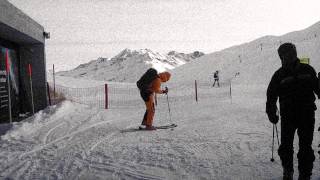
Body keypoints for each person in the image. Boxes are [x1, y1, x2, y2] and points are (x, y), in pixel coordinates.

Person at [266, 43, 320, 180]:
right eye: (285, 55)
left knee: (305, 148)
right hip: (288, 116)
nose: (288, 57)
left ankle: (305, 175)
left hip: (306, 115)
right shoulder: (279, 75)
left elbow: (318, 90)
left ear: (295, 54)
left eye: (291, 54)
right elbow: (271, 95)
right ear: (281, 57)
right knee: (286, 148)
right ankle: (288, 171)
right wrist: (271, 111)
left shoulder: (307, 70)